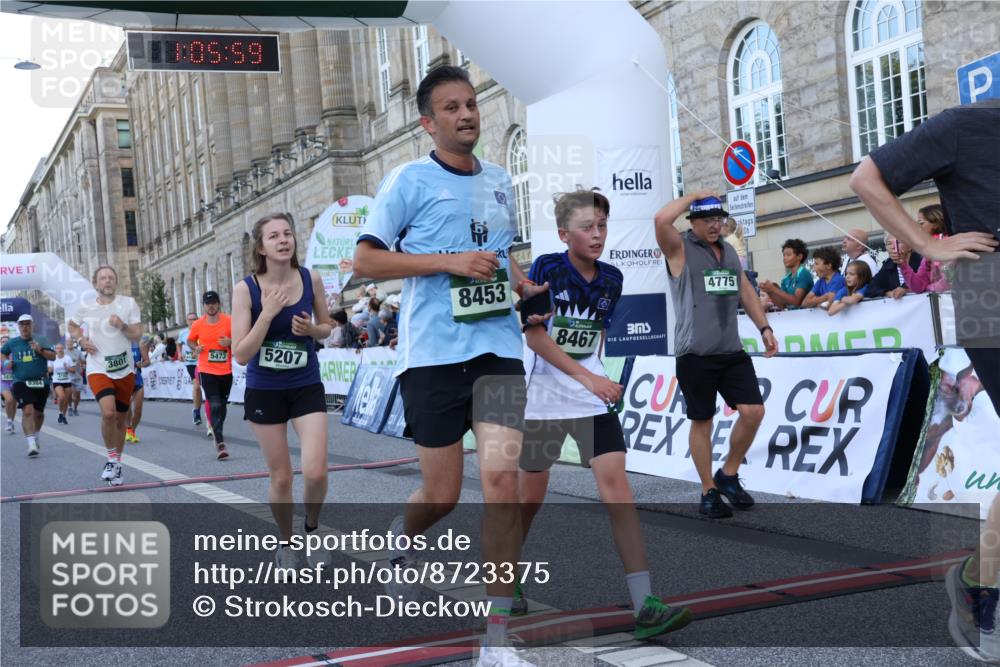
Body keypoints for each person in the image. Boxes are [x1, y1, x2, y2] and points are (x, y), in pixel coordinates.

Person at [352, 64, 550, 665]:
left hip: (496, 350)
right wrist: (447, 262)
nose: (467, 115)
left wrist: (521, 283)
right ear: (428, 122)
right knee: (441, 494)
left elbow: (497, 255)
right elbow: (365, 262)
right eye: (452, 108)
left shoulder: (496, 179)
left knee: (500, 484)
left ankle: (495, 640)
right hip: (432, 356)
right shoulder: (406, 181)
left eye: (471, 105)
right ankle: (404, 536)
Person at [850, 99, 1000, 662]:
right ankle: (981, 586)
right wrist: (928, 244)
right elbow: (867, 178)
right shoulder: (967, 127)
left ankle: (978, 578)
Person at [517, 189, 692, 639]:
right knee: (529, 499)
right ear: (563, 234)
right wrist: (588, 378)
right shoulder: (546, 269)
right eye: (586, 228)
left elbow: (591, 337)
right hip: (544, 401)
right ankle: (506, 575)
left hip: (590, 401)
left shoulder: (612, 278)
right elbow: (536, 339)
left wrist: (594, 382)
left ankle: (644, 604)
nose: (597, 235)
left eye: (602, 226)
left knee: (618, 488)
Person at [653, 192, 777, 518]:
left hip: (731, 350)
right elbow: (660, 220)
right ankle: (708, 490)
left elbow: (745, 291)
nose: (713, 225)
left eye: (718, 218)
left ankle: (728, 474)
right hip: (695, 352)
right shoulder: (679, 247)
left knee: (753, 411)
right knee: (702, 422)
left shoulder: (728, 251)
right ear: (692, 222)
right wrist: (692, 196)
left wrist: (764, 328)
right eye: (706, 219)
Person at [232, 213, 333, 566]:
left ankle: (313, 528)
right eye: (273, 235)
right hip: (265, 389)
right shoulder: (246, 289)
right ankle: (287, 543)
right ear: (261, 247)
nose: (283, 240)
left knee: (317, 471)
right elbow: (241, 354)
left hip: (305, 383)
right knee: (283, 477)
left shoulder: (310, 278)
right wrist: (267, 312)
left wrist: (312, 331)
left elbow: (328, 327)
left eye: (287, 233)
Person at [68, 266, 143, 487]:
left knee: (121, 419)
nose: (107, 281)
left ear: (116, 282)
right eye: (103, 277)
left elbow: (137, 334)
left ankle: (117, 464)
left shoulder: (128, 304)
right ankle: (111, 459)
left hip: (125, 369)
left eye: (111, 277)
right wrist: (82, 340)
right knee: (109, 413)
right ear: (95, 284)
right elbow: (72, 326)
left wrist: (121, 325)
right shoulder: (86, 307)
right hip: (97, 367)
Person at [189, 290, 235, 460]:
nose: (211, 306)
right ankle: (220, 442)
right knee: (214, 404)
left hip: (226, 371)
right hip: (207, 370)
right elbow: (190, 340)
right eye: (208, 303)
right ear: (204, 306)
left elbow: (241, 339)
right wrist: (195, 348)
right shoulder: (198, 324)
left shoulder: (230, 321)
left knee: (222, 406)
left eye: (214, 302)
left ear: (219, 304)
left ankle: (217, 429)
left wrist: (231, 342)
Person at [1, 314, 55, 456]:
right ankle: (31, 444)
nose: (25, 327)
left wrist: (40, 350)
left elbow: (53, 356)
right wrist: (7, 362)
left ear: (32, 325)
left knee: (39, 414)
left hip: (41, 381)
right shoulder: (12, 342)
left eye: (27, 324)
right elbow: (2, 353)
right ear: (18, 327)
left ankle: (35, 436)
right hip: (20, 381)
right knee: (27, 410)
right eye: (22, 324)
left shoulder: (41, 339)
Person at [898, 204, 952, 294]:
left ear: (936, 223)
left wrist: (929, 289)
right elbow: (918, 286)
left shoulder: (949, 245)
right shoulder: (928, 251)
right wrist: (903, 265)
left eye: (921, 223)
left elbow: (949, 279)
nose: (918, 228)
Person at [759, 238, 813, 310]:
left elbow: (796, 302)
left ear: (799, 256)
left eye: (788, 255)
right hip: (793, 318)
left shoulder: (803, 274)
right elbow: (782, 305)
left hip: (807, 318)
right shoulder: (786, 279)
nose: (785, 258)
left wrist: (774, 289)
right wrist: (769, 291)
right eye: (784, 255)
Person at [867, 234, 922, 299]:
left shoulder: (921, 261)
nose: (893, 247)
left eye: (898, 242)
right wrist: (887, 293)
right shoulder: (888, 264)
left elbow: (923, 282)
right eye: (889, 244)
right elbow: (871, 288)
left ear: (909, 247)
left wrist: (905, 290)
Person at [177, 312, 205, 429]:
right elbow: (178, 343)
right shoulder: (183, 333)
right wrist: (179, 353)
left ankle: (207, 410)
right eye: (190, 320)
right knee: (197, 386)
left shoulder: (203, 330)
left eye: (194, 319)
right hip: (191, 364)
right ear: (187, 321)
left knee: (203, 387)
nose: (192, 321)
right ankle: (196, 411)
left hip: (203, 362)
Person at [125, 336, 151, 443]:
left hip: (137, 380)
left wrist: (141, 364)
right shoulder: (118, 345)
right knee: (127, 408)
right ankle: (128, 429)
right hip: (124, 381)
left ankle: (132, 430)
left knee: (138, 410)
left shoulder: (139, 344)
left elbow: (147, 361)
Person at [48, 343, 75, 425]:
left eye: (61, 348)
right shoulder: (52, 359)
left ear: (63, 349)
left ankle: (63, 415)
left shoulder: (68, 358)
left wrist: (67, 368)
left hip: (67, 381)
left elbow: (73, 370)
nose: (59, 350)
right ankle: (60, 412)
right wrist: (51, 369)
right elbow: (49, 370)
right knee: (62, 397)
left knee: (66, 400)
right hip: (57, 381)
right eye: (58, 348)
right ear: (55, 350)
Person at [66, 336, 84, 416]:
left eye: (70, 342)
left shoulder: (78, 352)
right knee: (70, 393)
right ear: (66, 343)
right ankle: (69, 407)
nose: (69, 344)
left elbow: (84, 361)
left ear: (73, 343)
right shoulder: (64, 352)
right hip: (68, 377)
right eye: (68, 343)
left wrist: (81, 362)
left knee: (77, 396)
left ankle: (75, 408)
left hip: (78, 376)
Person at [2, 335, 17, 434]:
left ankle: (11, 421)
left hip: (15, 381)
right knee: (9, 400)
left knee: (14, 403)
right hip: (3, 382)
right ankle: (8, 421)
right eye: (2, 341)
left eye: (6, 341)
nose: (4, 343)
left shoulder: (15, 354)